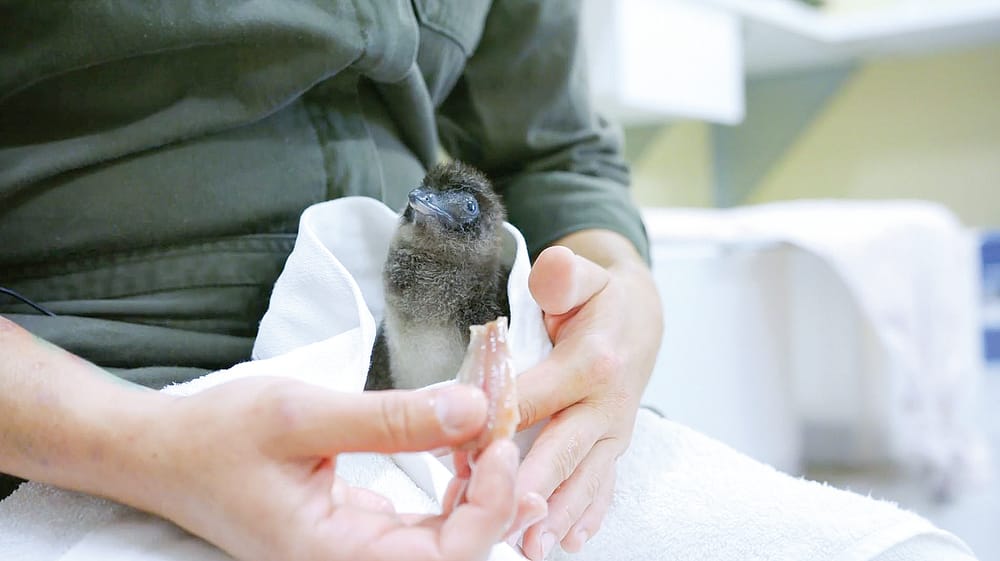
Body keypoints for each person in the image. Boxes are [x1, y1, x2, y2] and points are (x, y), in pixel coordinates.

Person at [0, 2, 663, 560]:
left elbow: (557, 159)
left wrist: (624, 298)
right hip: (82, 408)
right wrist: (141, 444)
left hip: (449, 390)